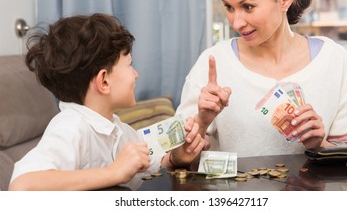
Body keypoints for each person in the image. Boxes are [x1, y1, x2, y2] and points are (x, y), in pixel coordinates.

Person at [175, 0, 347, 158]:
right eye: (229, 7)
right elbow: (175, 160)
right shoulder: (214, 63)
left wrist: (319, 144)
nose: (236, 22)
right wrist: (201, 120)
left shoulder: (333, 60)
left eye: (248, 6)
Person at [9, 13, 204, 191]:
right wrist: (114, 172)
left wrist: (173, 159)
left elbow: (145, 167)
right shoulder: (71, 127)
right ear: (104, 81)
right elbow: (22, 187)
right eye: (129, 65)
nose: (135, 75)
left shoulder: (119, 130)